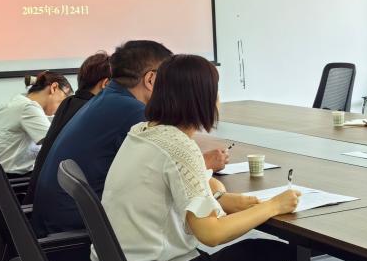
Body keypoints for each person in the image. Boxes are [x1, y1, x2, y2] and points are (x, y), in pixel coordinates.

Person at [102, 54, 336, 261]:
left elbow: (180, 186)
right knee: (265, 254)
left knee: (256, 255)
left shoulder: (143, 132)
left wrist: (222, 197)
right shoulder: (178, 146)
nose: (219, 100)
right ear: (201, 98)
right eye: (216, 91)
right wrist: (274, 206)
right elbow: (211, 234)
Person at [31, 40, 229, 236]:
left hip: (56, 221)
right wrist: (202, 164)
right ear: (151, 79)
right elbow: (168, 171)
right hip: (79, 230)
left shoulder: (107, 99)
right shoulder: (135, 113)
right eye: (170, 80)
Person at [25, 52, 112, 203]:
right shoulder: (93, 111)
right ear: (106, 84)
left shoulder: (69, 103)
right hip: (62, 206)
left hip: (40, 200)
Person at [0, 72, 72, 175]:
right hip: (12, 178)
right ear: (54, 87)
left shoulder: (18, 101)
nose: (63, 106)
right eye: (66, 98)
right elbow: (57, 142)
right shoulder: (28, 108)